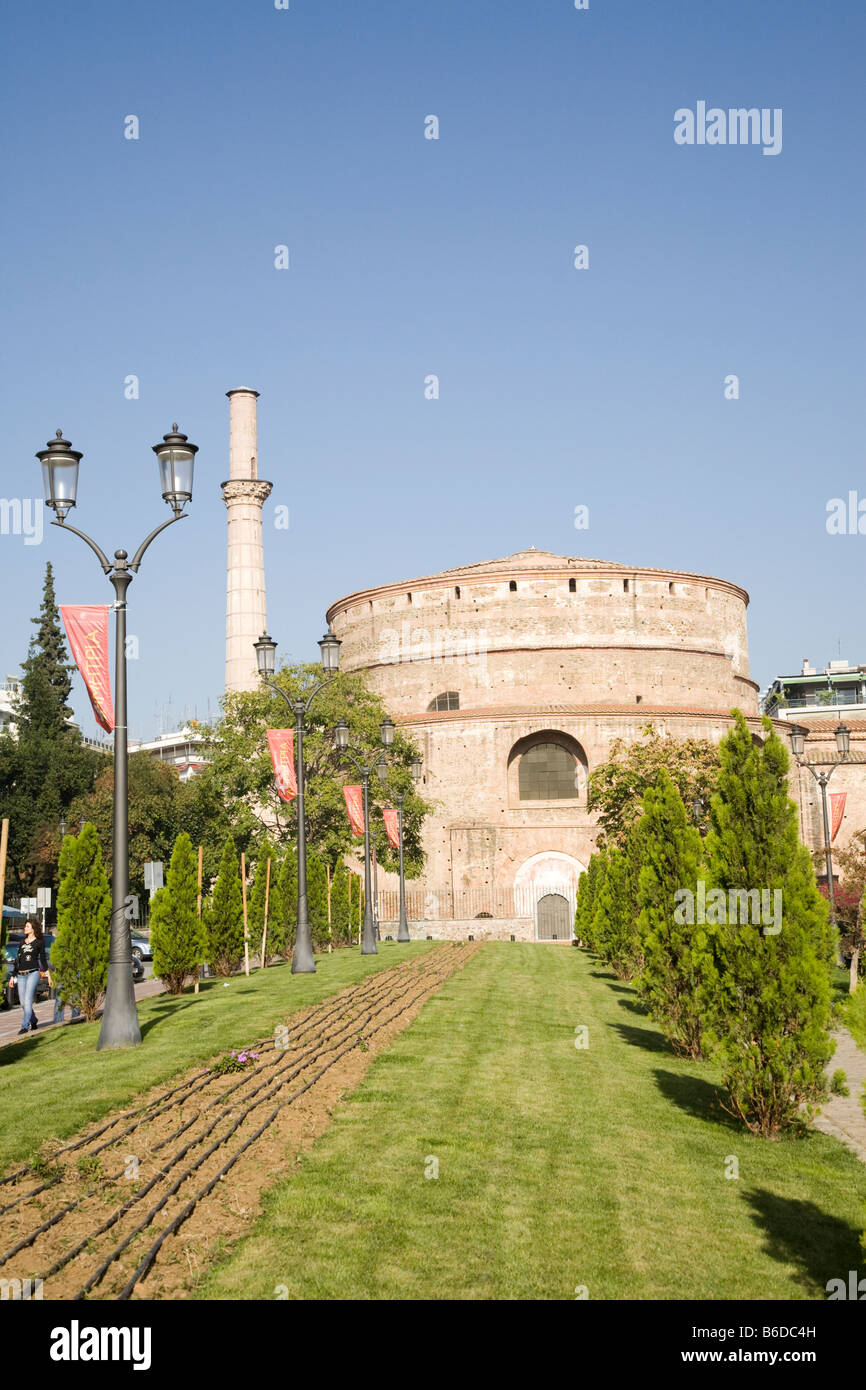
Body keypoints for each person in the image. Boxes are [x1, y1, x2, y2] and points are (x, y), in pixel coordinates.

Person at [9, 918, 51, 1035]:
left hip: (33, 973)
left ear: (33, 929)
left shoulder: (39, 942)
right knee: (23, 1003)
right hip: (21, 975)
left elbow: (42, 959)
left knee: (27, 1000)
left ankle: (24, 1026)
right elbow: (18, 960)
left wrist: (48, 974)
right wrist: (13, 976)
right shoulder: (22, 942)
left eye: (27, 926)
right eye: (25, 926)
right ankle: (34, 1020)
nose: (25, 928)